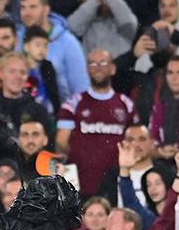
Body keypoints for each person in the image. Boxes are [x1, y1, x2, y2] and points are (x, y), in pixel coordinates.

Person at [55, 50, 135, 197]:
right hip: (81, 188)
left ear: (113, 68)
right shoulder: (72, 104)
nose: (97, 67)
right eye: (92, 63)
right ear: (86, 69)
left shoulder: (126, 105)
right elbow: (61, 144)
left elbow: (135, 141)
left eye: (103, 63)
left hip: (117, 187)